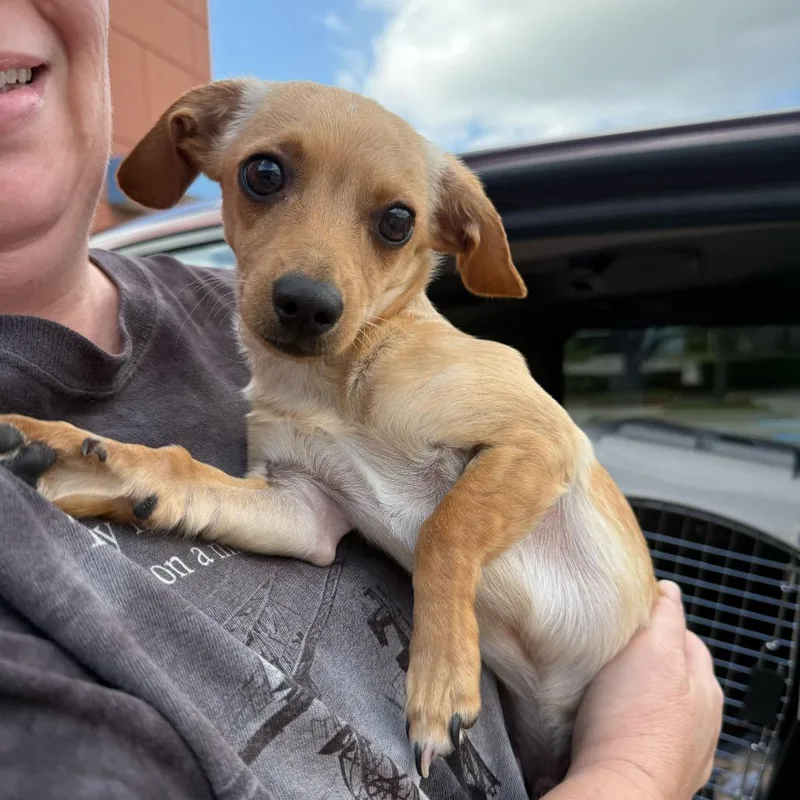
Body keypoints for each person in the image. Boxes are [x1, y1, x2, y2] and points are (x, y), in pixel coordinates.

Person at [0, 2, 723, 798]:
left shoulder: (441, 365)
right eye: (268, 178)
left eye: (389, 224)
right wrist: (639, 769)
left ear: (444, 234)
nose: (314, 278)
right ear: (200, 147)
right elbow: (303, 518)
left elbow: (540, 450)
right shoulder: (281, 403)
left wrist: (446, 587)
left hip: (598, 678)